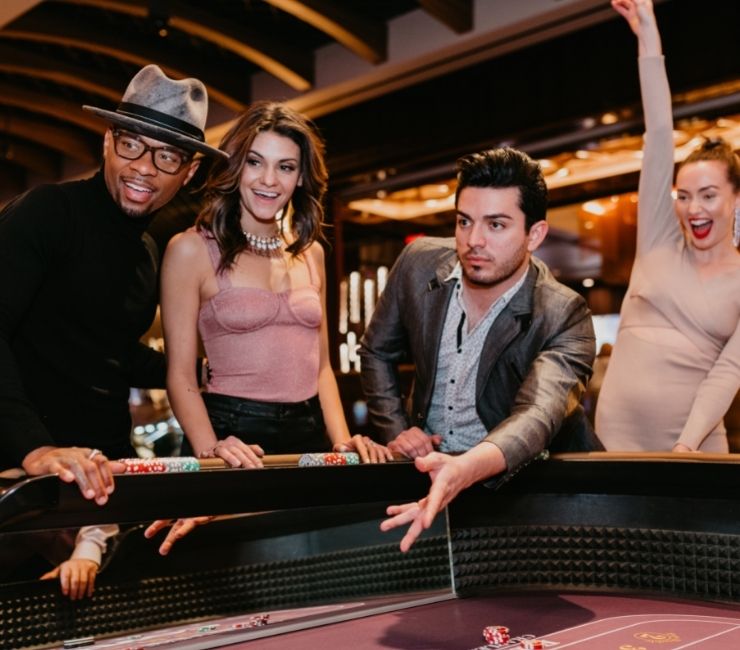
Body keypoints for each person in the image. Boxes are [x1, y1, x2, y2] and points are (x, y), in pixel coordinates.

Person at [0, 64, 223, 597]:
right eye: (131, 145)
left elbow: (105, 350)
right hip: (19, 484)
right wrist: (34, 449)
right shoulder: (48, 213)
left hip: (96, 489)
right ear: (108, 142)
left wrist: (206, 369)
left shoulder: (148, 255)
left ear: (188, 172)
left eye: (166, 155)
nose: (143, 167)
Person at [146, 102, 392, 555]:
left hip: (308, 434)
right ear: (236, 167)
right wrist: (211, 452)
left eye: (285, 167)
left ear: (300, 178)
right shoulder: (190, 250)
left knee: (319, 574)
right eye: (255, 162)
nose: (268, 180)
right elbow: (180, 376)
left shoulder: (311, 252)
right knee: (253, 573)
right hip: (232, 434)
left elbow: (321, 368)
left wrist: (340, 443)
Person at [360, 146, 600, 551]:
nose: (474, 241)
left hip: (529, 495)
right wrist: (400, 432)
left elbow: (537, 416)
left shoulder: (564, 312)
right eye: (464, 221)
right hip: (430, 483)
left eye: (496, 225)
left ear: (535, 234)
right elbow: (376, 352)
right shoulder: (417, 264)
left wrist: (463, 468)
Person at [595, 0, 740, 452]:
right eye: (684, 195)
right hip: (615, 438)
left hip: (692, 445)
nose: (694, 208)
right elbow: (659, 133)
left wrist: (686, 446)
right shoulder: (657, 237)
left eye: (709, 195)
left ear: (736, 199)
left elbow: (729, 371)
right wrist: (648, 34)